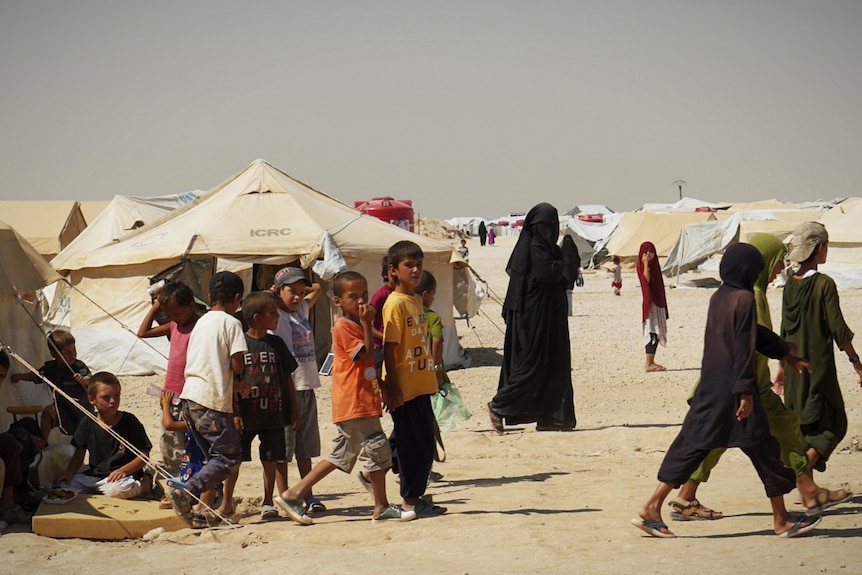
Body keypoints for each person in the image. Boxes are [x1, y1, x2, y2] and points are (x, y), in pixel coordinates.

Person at [632, 243, 820, 539]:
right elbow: (744, 347)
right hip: (732, 391)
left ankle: (651, 507)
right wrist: (745, 392)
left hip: (711, 385)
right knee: (763, 450)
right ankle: (781, 520)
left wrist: (783, 351)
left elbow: (752, 334)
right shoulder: (744, 298)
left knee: (695, 445)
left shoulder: (720, 296)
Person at [667, 233, 852, 521]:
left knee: (716, 442)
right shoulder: (750, 296)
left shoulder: (741, 292)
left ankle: (684, 496)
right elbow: (750, 344)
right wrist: (754, 385)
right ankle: (803, 496)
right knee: (782, 433)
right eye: (778, 262)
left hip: (732, 385)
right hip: (746, 386)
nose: (780, 268)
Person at [276, 271, 415, 524]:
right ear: (338, 301)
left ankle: (296, 494)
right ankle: (378, 505)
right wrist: (367, 324)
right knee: (372, 448)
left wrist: (382, 385)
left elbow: (369, 366)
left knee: (354, 453)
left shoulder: (356, 325)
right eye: (353, 296)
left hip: (363, 399)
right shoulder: (345, 327)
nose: (361, 301)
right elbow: (367, 355)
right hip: (354, 401)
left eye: (364, 295)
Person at [778, 221, 862, 474]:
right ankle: (803, 473)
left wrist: (782, 367)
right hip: (818, 368)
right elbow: (838, 328)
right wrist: (856, 362)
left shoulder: (790, 284)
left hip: (793, 369)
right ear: (819, 248)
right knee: (835, 423)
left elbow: (784, 330)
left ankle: (809, 489)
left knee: (804, 427)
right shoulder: (824, 284)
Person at [169, 271, 249, 525]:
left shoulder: (201, 322)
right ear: (237, 299)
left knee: (211, 459)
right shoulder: (232, 323)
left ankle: (200, 510)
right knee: (228, 458)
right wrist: (239, 376)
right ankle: (185, 491)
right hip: (212, 401)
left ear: (210, 296)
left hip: (190, 398)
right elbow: (236, 364)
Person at [488, 203, 575, 433]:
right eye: (545, 226)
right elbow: (554, 273)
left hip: (551, 319)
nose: (550, 230)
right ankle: (499, 405)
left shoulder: (549, 250)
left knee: (554, 365)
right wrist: (567, 256)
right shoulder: (534, 249)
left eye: (553, 225)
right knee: (533, 366)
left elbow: (563, 278)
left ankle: (551, 416)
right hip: (533, 321)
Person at [383, 241, 447, 517]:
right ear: (393, 271)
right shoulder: (395, 304)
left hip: (421, 385)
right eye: (408, 265)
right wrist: (393, 387)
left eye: (419, 264)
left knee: (423, 443)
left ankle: (417, 495)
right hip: (405, 388)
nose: (415, 269)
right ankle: (409, 500)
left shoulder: (417, 301)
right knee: (411, 446)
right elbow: (389, 347)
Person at [235, 291, 299, 521]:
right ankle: (225, 501)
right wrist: (234, 412)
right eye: (273, 313)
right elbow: (231, 379)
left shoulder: (277, 343)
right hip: (246, 413)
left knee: (272, 458)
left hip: (274, 413)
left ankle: (270, 501)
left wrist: (294, 408)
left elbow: (288, 378)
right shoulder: (240, 344)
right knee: (235, 460)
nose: (278, 317)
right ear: (256, 317)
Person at [271, 267, 325, 513]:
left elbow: (318, 288)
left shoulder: (301, 309)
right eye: (291, 291)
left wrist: (301, 291)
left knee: (306, 447)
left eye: (300, 292)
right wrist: (273, 293)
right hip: (287, 389)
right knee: (284, 449)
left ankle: (305, 493)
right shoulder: (276, 316)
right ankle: (284, 496)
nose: (297, 297)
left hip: (306, 386)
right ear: (279, 291)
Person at [56, 372, 153, 499]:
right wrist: (69, 473)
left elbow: (144, 456)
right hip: (95, 476)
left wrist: (123, 470)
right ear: (92, 400)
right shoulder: (88, 422)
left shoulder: (129, 421)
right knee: (63, 486)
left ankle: (145, 484)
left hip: (123, 476)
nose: (113, 401)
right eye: (106, 397)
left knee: (116, 491)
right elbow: (79, 455)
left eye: (117, 396)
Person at [137, 281, 200, 476]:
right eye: (169, 314)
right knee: (171, 442)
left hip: (189, 395)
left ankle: (191, 480)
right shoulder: (174, 325)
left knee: (191, 443)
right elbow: (143, 332)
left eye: (176, 313)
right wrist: (157, 306)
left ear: (190, 306)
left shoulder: (199, 327)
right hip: (169, 396)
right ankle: (176, 479)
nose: (173, 318)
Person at [159, 390, 226, 527]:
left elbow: (169, 425)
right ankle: (191, 499)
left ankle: (204, 505)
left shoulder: (199, 422)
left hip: (201, 468)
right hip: (191, 464)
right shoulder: (196, 420)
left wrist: (166, 406)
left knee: (207, 478)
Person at [11, 329, 92, 438]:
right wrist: (20, 377)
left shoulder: (78, 366)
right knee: (47, 414)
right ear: (54, 354)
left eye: (74, 350)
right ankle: (43, 442)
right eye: (67, 352)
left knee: (82, 437)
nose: (72, 354)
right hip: (61, 409)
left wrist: (83, 380)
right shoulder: (50, 368)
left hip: (81, 410)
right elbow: (35, 375)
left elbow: (91, 380)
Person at [637, 241, 668, 372]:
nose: (649, 255)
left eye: (651, 252)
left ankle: (651, 361)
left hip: (658, 302)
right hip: (650, 303)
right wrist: (645, 264)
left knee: (656, 332)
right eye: (646, 252)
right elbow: (646, 281)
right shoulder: (642, 266)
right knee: (651, 331)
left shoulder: (655, 266)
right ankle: (648, 363)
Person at [370, 256, 396, 376]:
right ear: (386, 274)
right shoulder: (380, 295)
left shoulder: (402, 295)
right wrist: (384, 336)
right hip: (380, 347)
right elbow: (366, 322)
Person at [561, 235, 580, 317]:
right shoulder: (574, 251)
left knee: (563, 295)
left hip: (563, 277)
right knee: (569, 294)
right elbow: (578, 262)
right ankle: (569, 312)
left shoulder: (561, 251)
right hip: (571, 277)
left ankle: (564, 311)